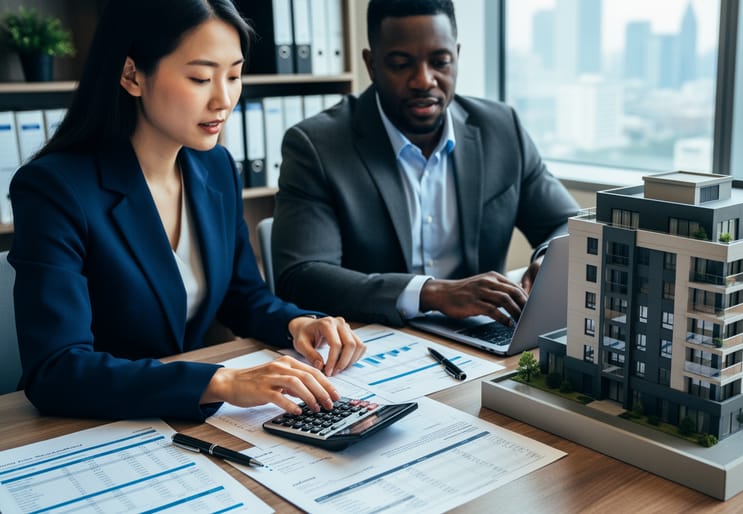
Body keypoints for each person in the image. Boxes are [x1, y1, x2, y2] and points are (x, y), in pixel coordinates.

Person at [8, 0, 366, 421]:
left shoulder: (215, 168)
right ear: (131, 75)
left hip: (185, 426)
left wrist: (297, 324)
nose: (224, 99)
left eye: (233, 75)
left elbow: (242, 295)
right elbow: (56, 370)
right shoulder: (54, 189)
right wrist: (220, 382)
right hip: (93, 425)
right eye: (200, 78)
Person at [272, 0, 580, 328]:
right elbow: (300, 277)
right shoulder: (317, 147)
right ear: (372, 64)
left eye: (440, 62)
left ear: (456, 57)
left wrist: (548, 259)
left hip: (479, 340)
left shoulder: (501, 130)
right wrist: (429, 293)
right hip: (369, 344)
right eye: (401, 64)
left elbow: (570, 225)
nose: (423, 80)